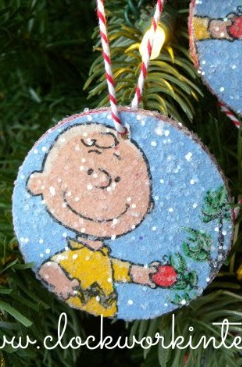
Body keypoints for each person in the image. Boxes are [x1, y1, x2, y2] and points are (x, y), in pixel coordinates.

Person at [27, 123, 160, 317]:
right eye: (90, 171)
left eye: (117, 179)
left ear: (147, 205)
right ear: (40, 183)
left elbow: (122, 270)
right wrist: (63, 284)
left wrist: (144, 274)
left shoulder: (102, 258)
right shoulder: (73, 256)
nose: (103, 181)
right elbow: (48, 268)